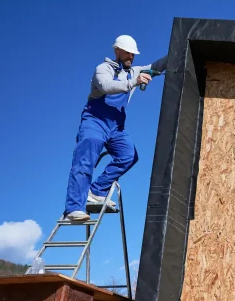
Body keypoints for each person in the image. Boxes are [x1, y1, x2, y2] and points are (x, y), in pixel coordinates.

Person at [63, 35, 167, 222]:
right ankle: (74, 208)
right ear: (117, 51)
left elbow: (157, 66)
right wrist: (133, 83)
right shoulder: (103, 69)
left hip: (116, 126)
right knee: (86, 156)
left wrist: (176, 51)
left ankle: (97, 191)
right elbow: (106, 86)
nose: (131, 57)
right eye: (127, 53)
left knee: (128, 156)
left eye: (133, 54)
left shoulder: (135, 71)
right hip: (95, 120)